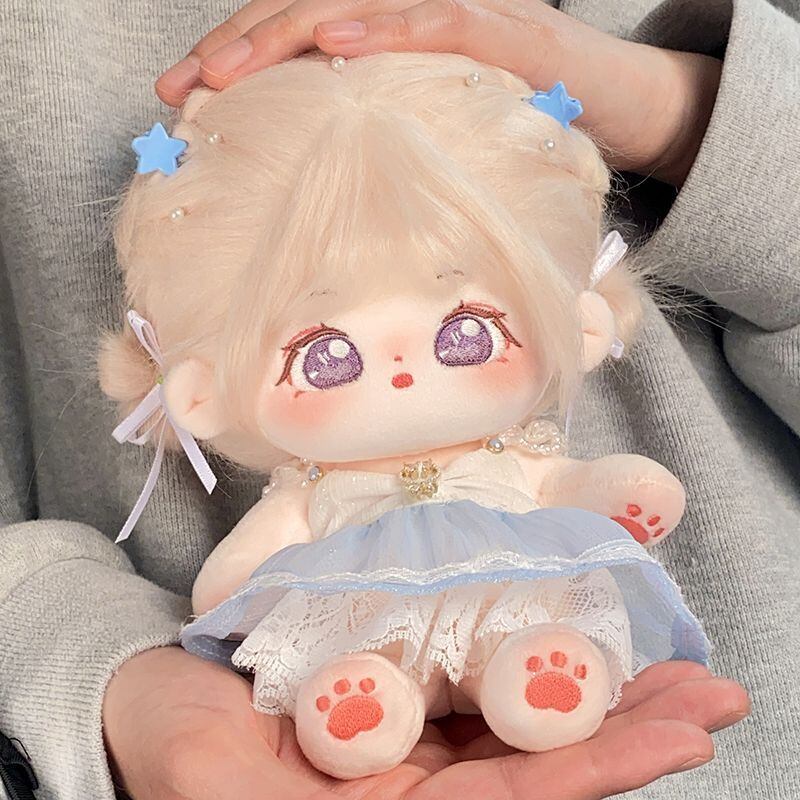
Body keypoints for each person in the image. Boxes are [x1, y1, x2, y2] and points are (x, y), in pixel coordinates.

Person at [0, 0, 795, 798]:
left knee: (527, 633)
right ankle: (368, 697)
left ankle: (529, 673)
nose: (407, 372)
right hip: (279, 724)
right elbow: (228, 584)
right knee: (360, 660)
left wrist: (690, 117)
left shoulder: (512, 457)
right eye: (327, 357)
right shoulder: (308, 491)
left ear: (579, 326)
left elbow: (567, 484)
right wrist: (104, 677)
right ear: (200, 396)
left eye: (465, 334)